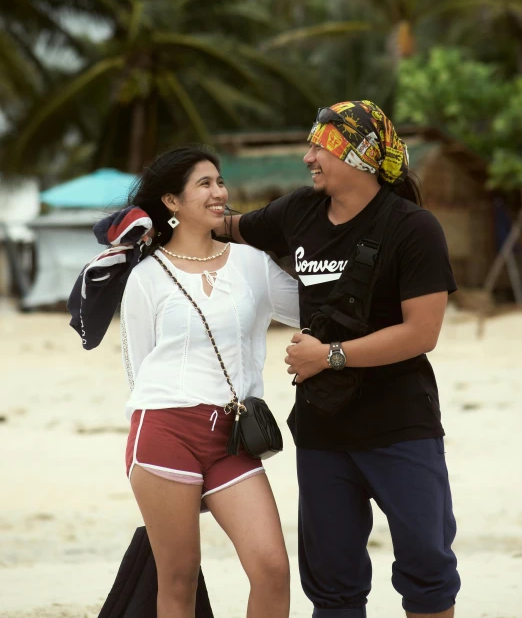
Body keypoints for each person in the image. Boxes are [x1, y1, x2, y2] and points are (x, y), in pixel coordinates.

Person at [223, 101, 461, 618]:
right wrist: (160, 215)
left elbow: (423, 332)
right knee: (332, 586)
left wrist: (330, 356)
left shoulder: (414, 228)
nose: (308, 157)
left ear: (357, 156)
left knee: (428, 574)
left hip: (402, 427)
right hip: (324, 432)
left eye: (319, 147)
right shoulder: (298, 212)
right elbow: (229, 228)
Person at [74, 145, 300, 618]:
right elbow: (137, 367)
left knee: (272, 568)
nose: (219, 192)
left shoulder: (251, 264)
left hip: (233, 435)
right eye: (205, 184)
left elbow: (310, 308)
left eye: (220, 182)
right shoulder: (147, 277)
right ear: (172, 202)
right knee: (177, 580)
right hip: (165, 433)